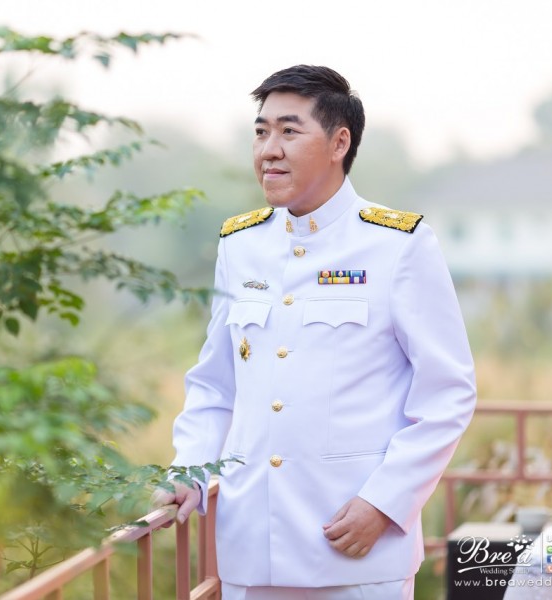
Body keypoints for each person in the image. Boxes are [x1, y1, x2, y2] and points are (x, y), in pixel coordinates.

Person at [153, 65, 477, 599]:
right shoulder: (241, 244)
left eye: (289, 131)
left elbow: (448, 394)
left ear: (339, 143)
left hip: (357, 549)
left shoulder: (398, 244)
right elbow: (215, 385)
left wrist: (385, 503)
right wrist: (188, 471)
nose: (269, 150)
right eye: (261, 132)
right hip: (251, 551)